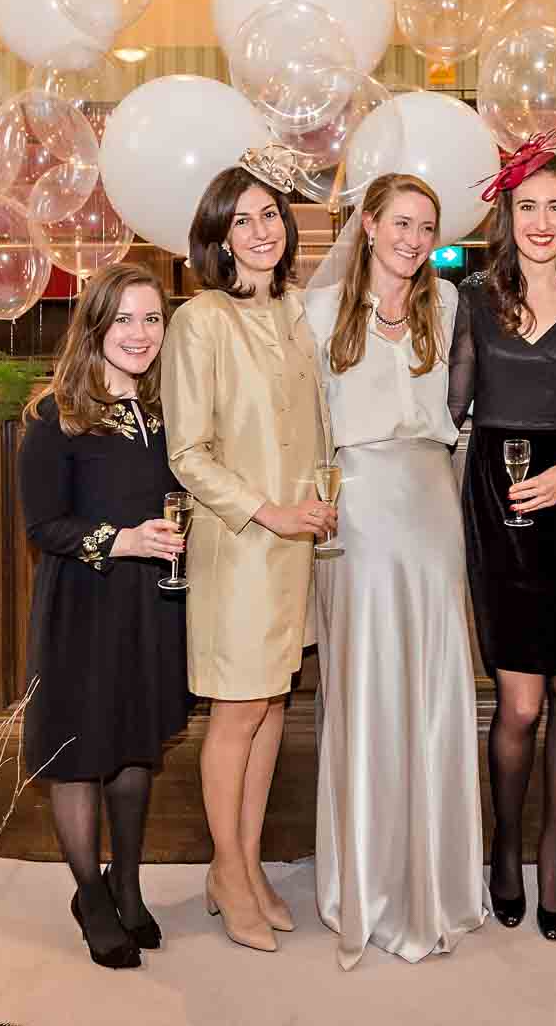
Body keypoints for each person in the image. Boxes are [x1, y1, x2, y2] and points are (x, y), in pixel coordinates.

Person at [303, 173, 487, 968]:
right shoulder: (314, 313)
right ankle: (370, 881)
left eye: (427, 227)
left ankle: (440, 878)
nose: (414, 240)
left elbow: (470, 409)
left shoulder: (447, 307)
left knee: (438, 684)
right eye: (401, 224)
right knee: (369, 685)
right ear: (368, 225)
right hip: (359, 510)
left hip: (432, 504)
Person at [447, 143, 556, 942]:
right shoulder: (473, 298)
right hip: (497, 500)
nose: (543, 222)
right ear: (507, 215)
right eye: (529, 207)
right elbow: (449, 406)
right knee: (518, 702)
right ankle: (507, 845)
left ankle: (554, 852)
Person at [162, 151, 335, 954]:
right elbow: (188, 454)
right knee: (235, 712)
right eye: (243, 220)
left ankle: (249, 861)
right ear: (218, 238)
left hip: (298, 546)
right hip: (241, 547)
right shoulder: (200, 320)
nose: (261, 230)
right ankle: (226, 871)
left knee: (271, 706)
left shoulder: (299, 308)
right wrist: (269, 511)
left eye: (271, 215)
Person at [19, 262, 191, 971]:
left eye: (151, 319)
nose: (139, 333)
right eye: (123, 318)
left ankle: (128, 879)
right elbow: (42, 526)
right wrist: (120, 542)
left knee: (135, 741)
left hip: (152, 603)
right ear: (95, 327)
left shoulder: (166, 412)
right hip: (85, 602)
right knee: (82, 751)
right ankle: (90, 893)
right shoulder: (55, 416)